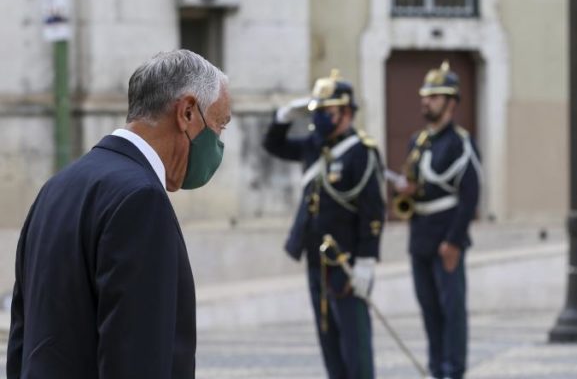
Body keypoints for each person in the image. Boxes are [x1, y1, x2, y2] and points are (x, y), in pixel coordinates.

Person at [7, 49, 231, 378]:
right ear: (186, 112)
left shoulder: (56, 188)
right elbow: (137, 357)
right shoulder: (141, 200)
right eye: (219, 125)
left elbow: (22, 340)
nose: (218, 141)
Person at [262, 69, 385, 379]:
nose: (321, 119)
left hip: (347, 262)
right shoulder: (314, 145)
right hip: (316, 258)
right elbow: (273, 146)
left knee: (354, 346)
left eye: (328, 112)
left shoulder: (362, 151)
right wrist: (284, 115)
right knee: (328, 338)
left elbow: (373, 211)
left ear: (346, 113)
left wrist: (367, 262)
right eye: (319, 111)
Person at [392, 61, 481, 379]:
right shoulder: (418, 141)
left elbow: (470, 195)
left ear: (451, 103)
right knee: (429, 311)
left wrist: (454, 241)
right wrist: (408, 189)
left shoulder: (461, 143)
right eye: (425, 96)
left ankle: (453, 371)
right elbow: (420, 185)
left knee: (452, 313)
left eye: (434, 96)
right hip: (421, 238)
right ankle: (435, 370)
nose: (425, 101)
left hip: (447, 239)